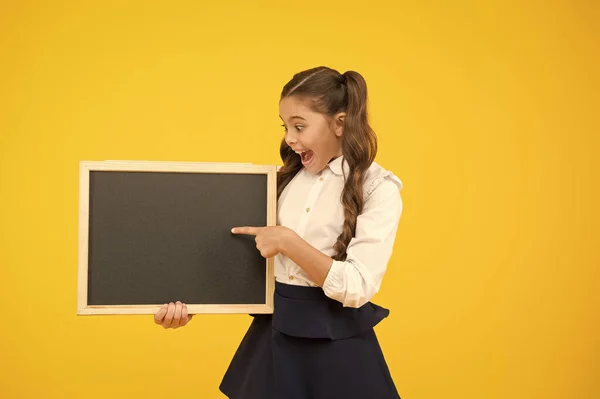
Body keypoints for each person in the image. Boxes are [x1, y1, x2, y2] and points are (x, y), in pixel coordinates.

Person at [154, 66, 404, 399]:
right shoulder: (281, 180)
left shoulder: (377, 188)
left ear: (340, 123)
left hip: (336, 348)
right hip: (274, 341)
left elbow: (358, 286)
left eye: (300, 126)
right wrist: (191, 306)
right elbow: (243, 256)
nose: (289, 138)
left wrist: (288, 242)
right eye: (286, 126)